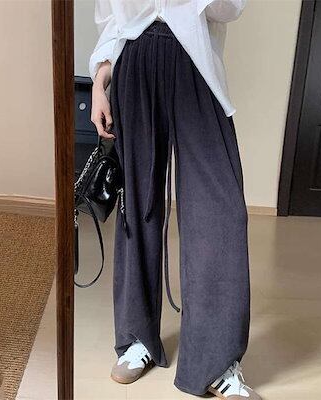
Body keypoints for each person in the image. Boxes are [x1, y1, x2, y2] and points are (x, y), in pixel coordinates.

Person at [89, 1, 260, 399]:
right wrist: (99, 85)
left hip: (195, 64)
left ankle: (215, 361)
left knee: (221, 214)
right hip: (134, 63)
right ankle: (137, 340)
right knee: (138, 206)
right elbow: (112, 21)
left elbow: (229, 9)